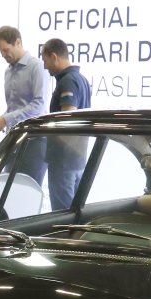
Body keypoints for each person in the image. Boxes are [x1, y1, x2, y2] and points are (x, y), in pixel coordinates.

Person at [35, 38, 93, 209]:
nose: (45, 67)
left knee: (62, 215)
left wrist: (43, 127)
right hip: (77, 158)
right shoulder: (81, 79)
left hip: (64, 159)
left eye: (45, 61)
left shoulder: (67, 81)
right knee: (75, 212)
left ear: (54, 56)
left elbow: (67, 118)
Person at [0, 26, 48, 135]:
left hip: (33, 135)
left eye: (5, 50)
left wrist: (6, 119)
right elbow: (14, 108)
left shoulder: (37, 67)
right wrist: (1, 120)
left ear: (18, 42)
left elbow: (39, 105)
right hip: (13, 134)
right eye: (0, 51)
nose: (3, 55)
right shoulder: (8, 71)